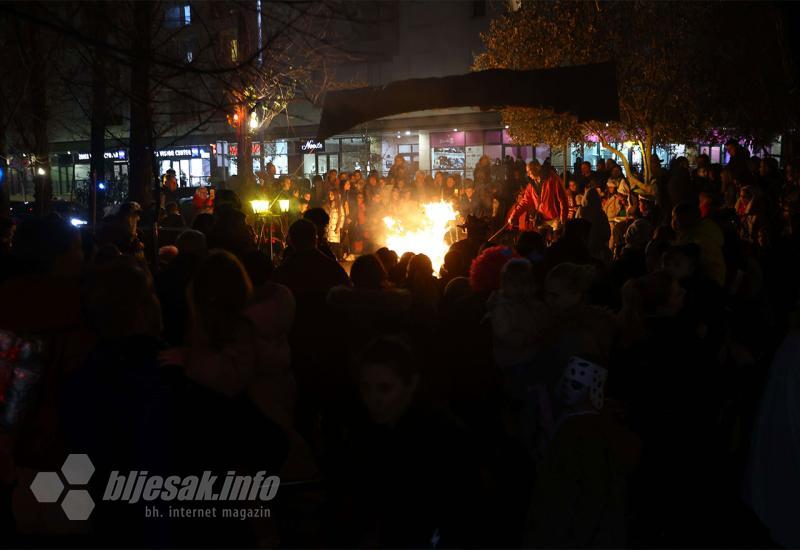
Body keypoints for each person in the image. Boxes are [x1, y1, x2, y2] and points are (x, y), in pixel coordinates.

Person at [507, 160, 569, 232]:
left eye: (529, 171)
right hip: (542, 218)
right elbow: (525, 202)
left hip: (555, 218)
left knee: (556, 241)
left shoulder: (553, 179)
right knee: (540, 240)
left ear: (537, 168)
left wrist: (563, 218)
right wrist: (513, 215)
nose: (528, 174)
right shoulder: (531, 185)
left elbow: (563, 199)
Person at [577, 187, 612, 261]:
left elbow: (575, 227)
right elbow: (607, 233)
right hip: (597, 248)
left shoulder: (580, 211)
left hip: (582, 247)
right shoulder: (601, 213)